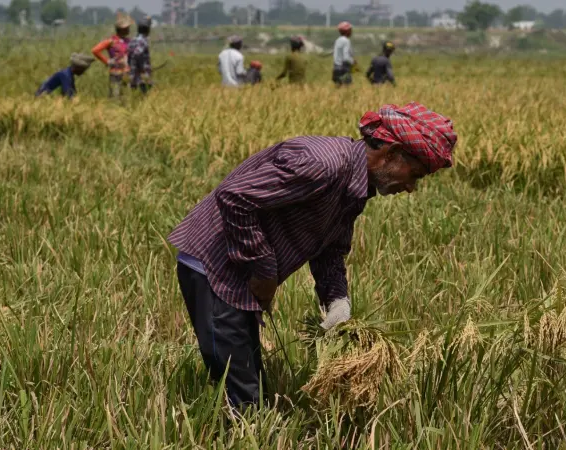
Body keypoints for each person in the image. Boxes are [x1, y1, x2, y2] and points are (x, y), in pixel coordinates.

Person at [168, 102, 458, 408]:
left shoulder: (355, 187)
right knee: (243, 395)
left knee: (248, 383)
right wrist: (264, 270)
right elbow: (236, 198)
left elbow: (329, 248)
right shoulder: (321, 164)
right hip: (215, 268)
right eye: (414, 174)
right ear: (390, 153)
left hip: (239, 275)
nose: (411, 187)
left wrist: (337, 301)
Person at [91, 13, 133, 99]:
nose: (129, 29)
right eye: (127, 28)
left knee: (126, 97)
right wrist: (107, 61)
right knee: (115, 97)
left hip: (127, 73)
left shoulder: (129, 41)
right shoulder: (111, 41)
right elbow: (95, 50)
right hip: (116, 73)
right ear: (122, 29)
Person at [128, 17, 153, 95]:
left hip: (132, 74)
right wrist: (141, 69)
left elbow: (129, 55)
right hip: (142, 75)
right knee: (144, 96)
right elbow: (137, 54)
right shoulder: (143, 41)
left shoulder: (133, 40)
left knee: (133, 95)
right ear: (147, 29)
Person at [332, 22, 355, 86]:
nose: (351, 32)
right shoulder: (346, 41)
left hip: (336, 68)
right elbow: (346, 58)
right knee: (346, 90)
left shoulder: (338, 40)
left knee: (338, 89)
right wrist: (353, 62)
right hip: (343, 69)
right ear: (347, 31)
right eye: (350, 30)